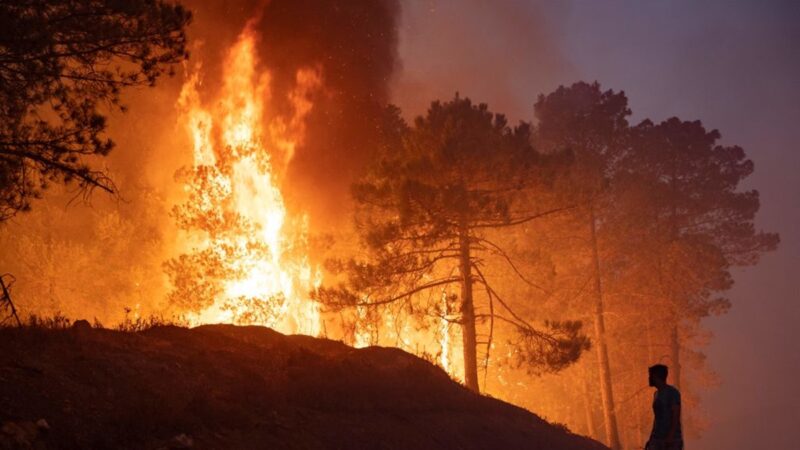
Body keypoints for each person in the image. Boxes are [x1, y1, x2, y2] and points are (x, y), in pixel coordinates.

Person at [646, 364, 683, 450]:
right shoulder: (656, 394)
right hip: (657, 439)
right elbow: (657, 418)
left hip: (672, 440)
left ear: (656, 376)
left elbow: (676, 415)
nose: (649, 378)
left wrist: (670, 436)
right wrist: (651, 438)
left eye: (650, 375)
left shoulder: (672, 393)